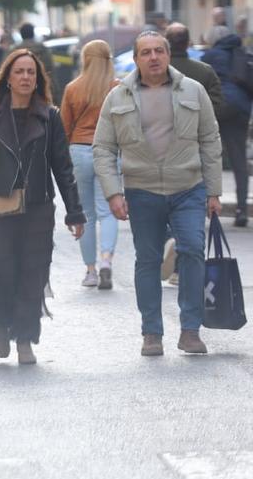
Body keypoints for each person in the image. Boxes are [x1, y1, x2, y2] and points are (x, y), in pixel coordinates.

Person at [94, 31, 222, 357]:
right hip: (142, 190)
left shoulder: (193, 91)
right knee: (148, 260)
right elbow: (103, 148)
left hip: (188, 188)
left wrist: (214, 191)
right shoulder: (118, 97)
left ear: (168, 55)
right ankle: (151, 332)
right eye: (146, 53)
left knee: (193, 250)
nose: (153, 57)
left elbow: (210, 139)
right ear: (136, 59)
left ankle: (190, 330)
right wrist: (113, 193)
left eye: (159, 51)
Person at [0, 50, 85, 366]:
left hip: (39, 205)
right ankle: (1, 322)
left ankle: (26, 338)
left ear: (38, 78)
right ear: (8, 78)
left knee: (34, 272)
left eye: (31, 72)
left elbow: (63, 167)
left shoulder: (50, 116)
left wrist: (74, 211)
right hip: (0, 205)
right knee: (1, 269)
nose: (26, 77)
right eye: (20, 72)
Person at [60, 41, 120, 289]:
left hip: (79, 150)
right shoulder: (117, 88)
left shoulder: (73, 88)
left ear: (85, 59)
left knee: (85, 213)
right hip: (108, 151)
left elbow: (64, 126)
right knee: (108, 212)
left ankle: (91, 271)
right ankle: (106, 260)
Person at [201, 26, 251, 227]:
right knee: (239, 160)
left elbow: (200, 84)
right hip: (241, 109)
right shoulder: (243, 54)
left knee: (207, 155)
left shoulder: (210, 56)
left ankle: (207, 204)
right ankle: (241, 210)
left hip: (217, 107)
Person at [166, 23, 222, 116]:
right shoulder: (206, 71)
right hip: (196, 128)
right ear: (188, 43)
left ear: (166, 44)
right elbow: (215, 105)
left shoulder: (153, 70)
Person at [15, 23, 58, 103]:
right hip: (42, 93)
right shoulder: (43, 50)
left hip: (19, 95)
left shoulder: (14, 51)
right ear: (33, 33)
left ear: (21, 35)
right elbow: (51, 72)